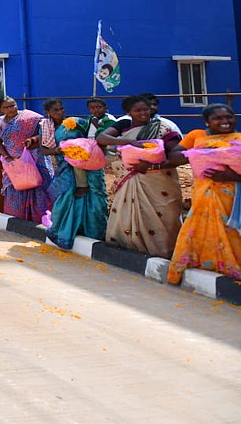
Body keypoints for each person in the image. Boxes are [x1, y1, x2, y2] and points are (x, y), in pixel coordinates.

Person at [97, 94, 183, 258]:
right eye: (138, 110)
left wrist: (151, 165)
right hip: (129, 178)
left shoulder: (162, 128)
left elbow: (176, 157)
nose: (143, 113)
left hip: (158, 181)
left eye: (146, 109)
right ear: (128, 112)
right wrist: (128, 143)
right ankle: (128, 246)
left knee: (162, 216)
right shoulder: (123, 125)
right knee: (126, 213)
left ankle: (162, 252)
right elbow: (102, 138)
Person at [164, 104, 241, 284]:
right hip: (204, 194)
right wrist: (202, 152)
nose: (225, 122)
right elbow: (174, 157)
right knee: (200, 227)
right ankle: (204, 263)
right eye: (218, 118)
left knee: (232, 231)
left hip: (233, 195)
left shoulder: (239, 138)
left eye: (228, 117)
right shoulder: (197, 135)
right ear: (207, 121)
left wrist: (233, 175)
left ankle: (233, 265)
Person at [39, 100, 108, 250]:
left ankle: (93, 232)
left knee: (92, 197)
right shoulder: (45, 128)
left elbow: (92, 138)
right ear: (48, 113)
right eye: (56, 110)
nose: (60, 112)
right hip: (65, 168)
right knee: (64, 198)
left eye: (61, 108)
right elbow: (43, 150)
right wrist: (57, 151)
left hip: (87, 166)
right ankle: (62, 232)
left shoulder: (76, 122)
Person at [0, 96, 49, 223]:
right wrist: (7, 157)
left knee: (38, 187)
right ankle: (16, 217)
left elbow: (44, 132)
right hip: (13, 162)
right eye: (6, 107)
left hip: (34, 159)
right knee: (15, 187)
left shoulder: (31, 117)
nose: (11, 109)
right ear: (1, 110)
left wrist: (32, 141)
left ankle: (40, 219)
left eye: (12, 105)